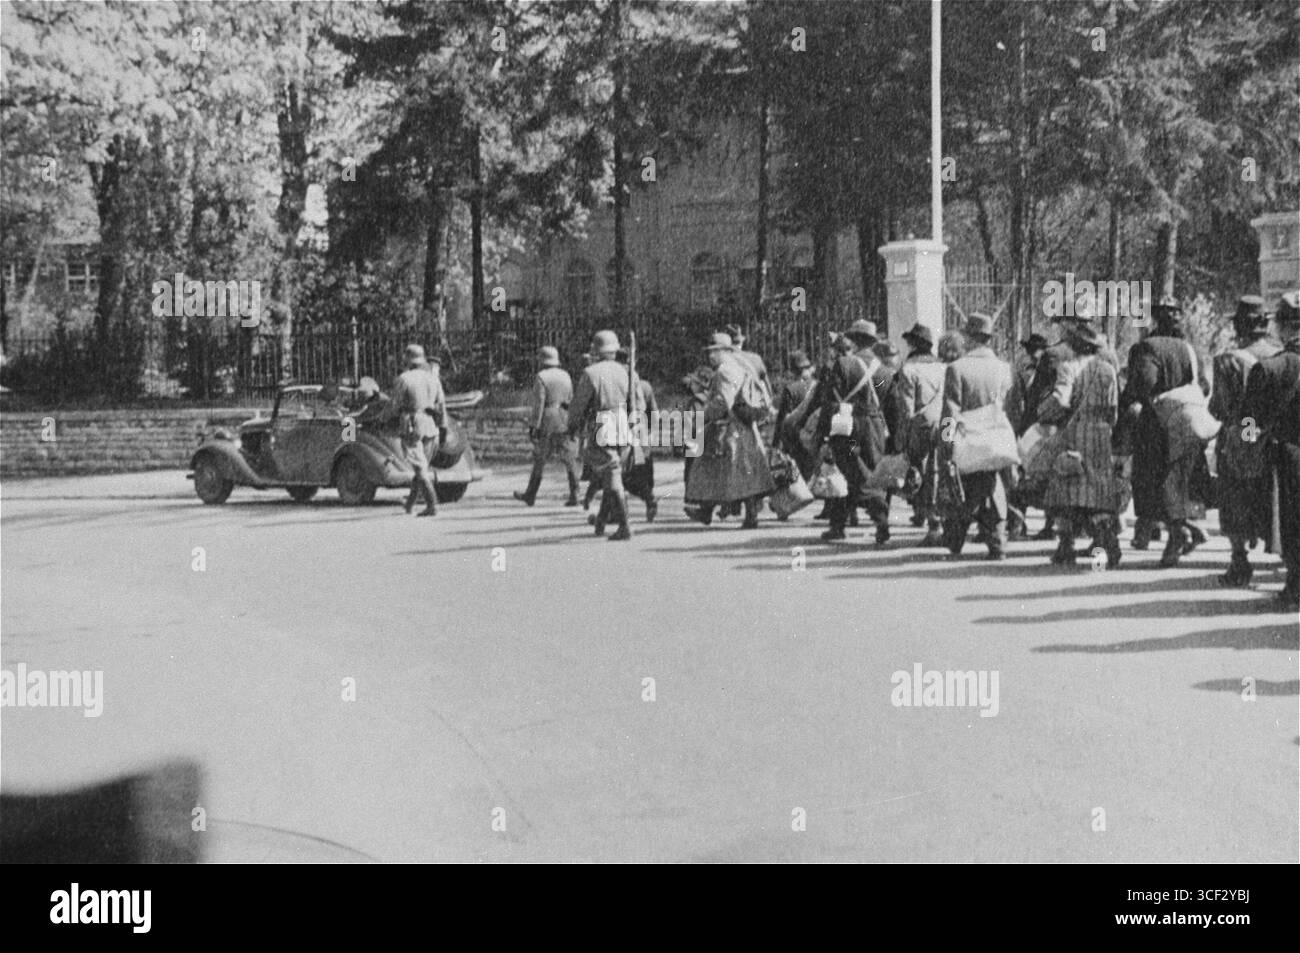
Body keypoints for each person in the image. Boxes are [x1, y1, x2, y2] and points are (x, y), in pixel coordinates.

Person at [1119, 296, 1212, 567]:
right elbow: (1203, 386)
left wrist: (1128, 408)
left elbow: (1142, 385)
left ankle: (1179, 534)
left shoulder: (1145, 348)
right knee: (1176, 483)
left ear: (1155, 319)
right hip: (1186, 425)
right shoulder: (1190, 350)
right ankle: (1183, 532)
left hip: (1154, 427)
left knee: (1151, 485)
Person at [1210, 296, 1281, 586]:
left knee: (1235, 498)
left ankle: (1239, 560)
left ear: (1239, 325)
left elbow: (1219, 407)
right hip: (1277, 437)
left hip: (1241, 437)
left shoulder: (1228, 361)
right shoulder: (1281, 355)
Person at [1041, 322, 1123, 567]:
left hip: (1075, 431)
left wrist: (1044, 412)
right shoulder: (1108, 370)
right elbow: (1113, 410)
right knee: (1098, 490)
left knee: (1065, 488)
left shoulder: (1068, 367)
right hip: (1101, 434)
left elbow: (1061, 401)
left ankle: (1066, 545)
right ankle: (1104, 541)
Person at [1239, 291, 1300, 610]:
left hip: (1286, 455)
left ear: (1282, 328)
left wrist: (1251, 443)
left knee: (1291, 522)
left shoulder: (1270, 368)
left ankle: (1295, 586)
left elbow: (1248, 418)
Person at [939, 313, 1013, 559]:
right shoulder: (1004, 368)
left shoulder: (957, 368)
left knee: (964, 489)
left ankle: (956, 540)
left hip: (967, 439)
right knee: (992, 486)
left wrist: (946, 441)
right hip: (995, 440)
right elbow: (1011, 406)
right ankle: (997, 541)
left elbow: (951, 410)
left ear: (968, 338)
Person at [684, 332, 775, 528]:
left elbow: (723, 401)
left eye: (713, 352)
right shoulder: (738, 366)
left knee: (720, 469)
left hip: (730, 429)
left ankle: (708, 511)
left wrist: (703, 417)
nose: (710, 357)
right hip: (740, 426)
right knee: (738, 471)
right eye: (709, 352)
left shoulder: (726, 370)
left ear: (725, 351)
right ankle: (732, 513)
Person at [813, 323, 891, 544]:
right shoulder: (883, 370)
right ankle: (838, 525)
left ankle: (879, 515)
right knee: (859, 473)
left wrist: (823, 432)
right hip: (874, 428)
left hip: (847, 426)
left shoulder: (844, 364)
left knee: (852, 473)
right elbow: (889, 401)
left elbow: (830, 399)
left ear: (854, 341)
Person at [567, 330, 644, 541]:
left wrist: (572, 426)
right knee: (612, 473)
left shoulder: (591, 373)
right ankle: (601, 521)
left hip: (603, 423)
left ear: (596, 350)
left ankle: (625, 525)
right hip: (625, 424)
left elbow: (578, 406)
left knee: (611, 473)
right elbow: (639, 404)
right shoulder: (629, 373)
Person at [894, 323, 947, 546]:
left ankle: (933, 525)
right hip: (944, 423)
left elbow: (906, 410)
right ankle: (941, 521)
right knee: (941, 471)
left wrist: (901, 437)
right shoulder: (944, 367)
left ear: (912, 344)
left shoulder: (908, 370)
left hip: (921, 426)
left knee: (922, 473)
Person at [514, 345, 581, 507]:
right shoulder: (566, 375)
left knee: (540, 458)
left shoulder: (541, 377)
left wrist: (534, 426)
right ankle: (575, 494)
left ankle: (531, 494)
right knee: (570, 459)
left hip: (547, 420)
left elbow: (539, 404)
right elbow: (571, 398)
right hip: (564, 418)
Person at [385, 343, 446, 517]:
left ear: (407, 359)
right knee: (422, 466)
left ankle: (432, 504)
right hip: (430, 425)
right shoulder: (433, 378)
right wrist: (442, 426)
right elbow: (441, 404)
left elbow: (394, 405)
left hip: (411, 424)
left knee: (420, 469)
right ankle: (409, 505)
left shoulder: (404, 378)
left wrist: (383, 419)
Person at [616, 347, 659, 522]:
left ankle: (618, 512)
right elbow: (654, 413)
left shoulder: (618, 382)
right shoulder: (645, 385)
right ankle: (648, 499)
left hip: (624, 431)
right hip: (641, 432)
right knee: (640, 472)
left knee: (620, 473)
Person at [773, 349, 817, 480]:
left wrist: (775, 444)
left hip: (795, 437)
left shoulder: (791, 389)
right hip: (814, 434)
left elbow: (782, 419)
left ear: (792, 370)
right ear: (811, 368)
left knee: (797, 475)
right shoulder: (819, 386)